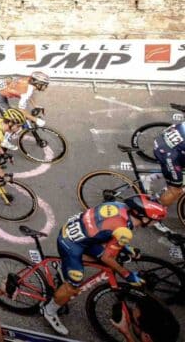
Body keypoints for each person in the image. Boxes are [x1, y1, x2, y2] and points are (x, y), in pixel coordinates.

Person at [41, 195, 167, 335]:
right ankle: (49, 310)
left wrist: (125, 248)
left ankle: (66, 267)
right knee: (74, 284)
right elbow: (108, 257)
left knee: (101, 256)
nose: (155, 223)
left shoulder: (119, 205)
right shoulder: (124, 231)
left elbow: (108, 228)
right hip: (72, 243)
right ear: (144, 218)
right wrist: (127, 274)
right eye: (155, 220)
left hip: (77, 231)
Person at [0, 72, 49, 145]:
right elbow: (21, 109)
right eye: (45, 85)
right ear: (38, 83)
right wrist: (36, 120)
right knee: (13, 119)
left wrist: (35, 105)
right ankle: (4, 140)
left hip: (1, 91)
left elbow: (29, 94)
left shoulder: (29, 81)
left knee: (14, 115)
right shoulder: (26, 90)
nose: (46, 87)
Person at [147, 122, 185, 225]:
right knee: (176, 191)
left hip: (166, 141)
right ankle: (152, 215)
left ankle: (168, 179)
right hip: (168, 153)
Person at [111, 295, 180, 342]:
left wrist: (126, 333)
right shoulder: (173, 329)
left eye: (133, 321)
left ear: (147, 337)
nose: (130, 317)